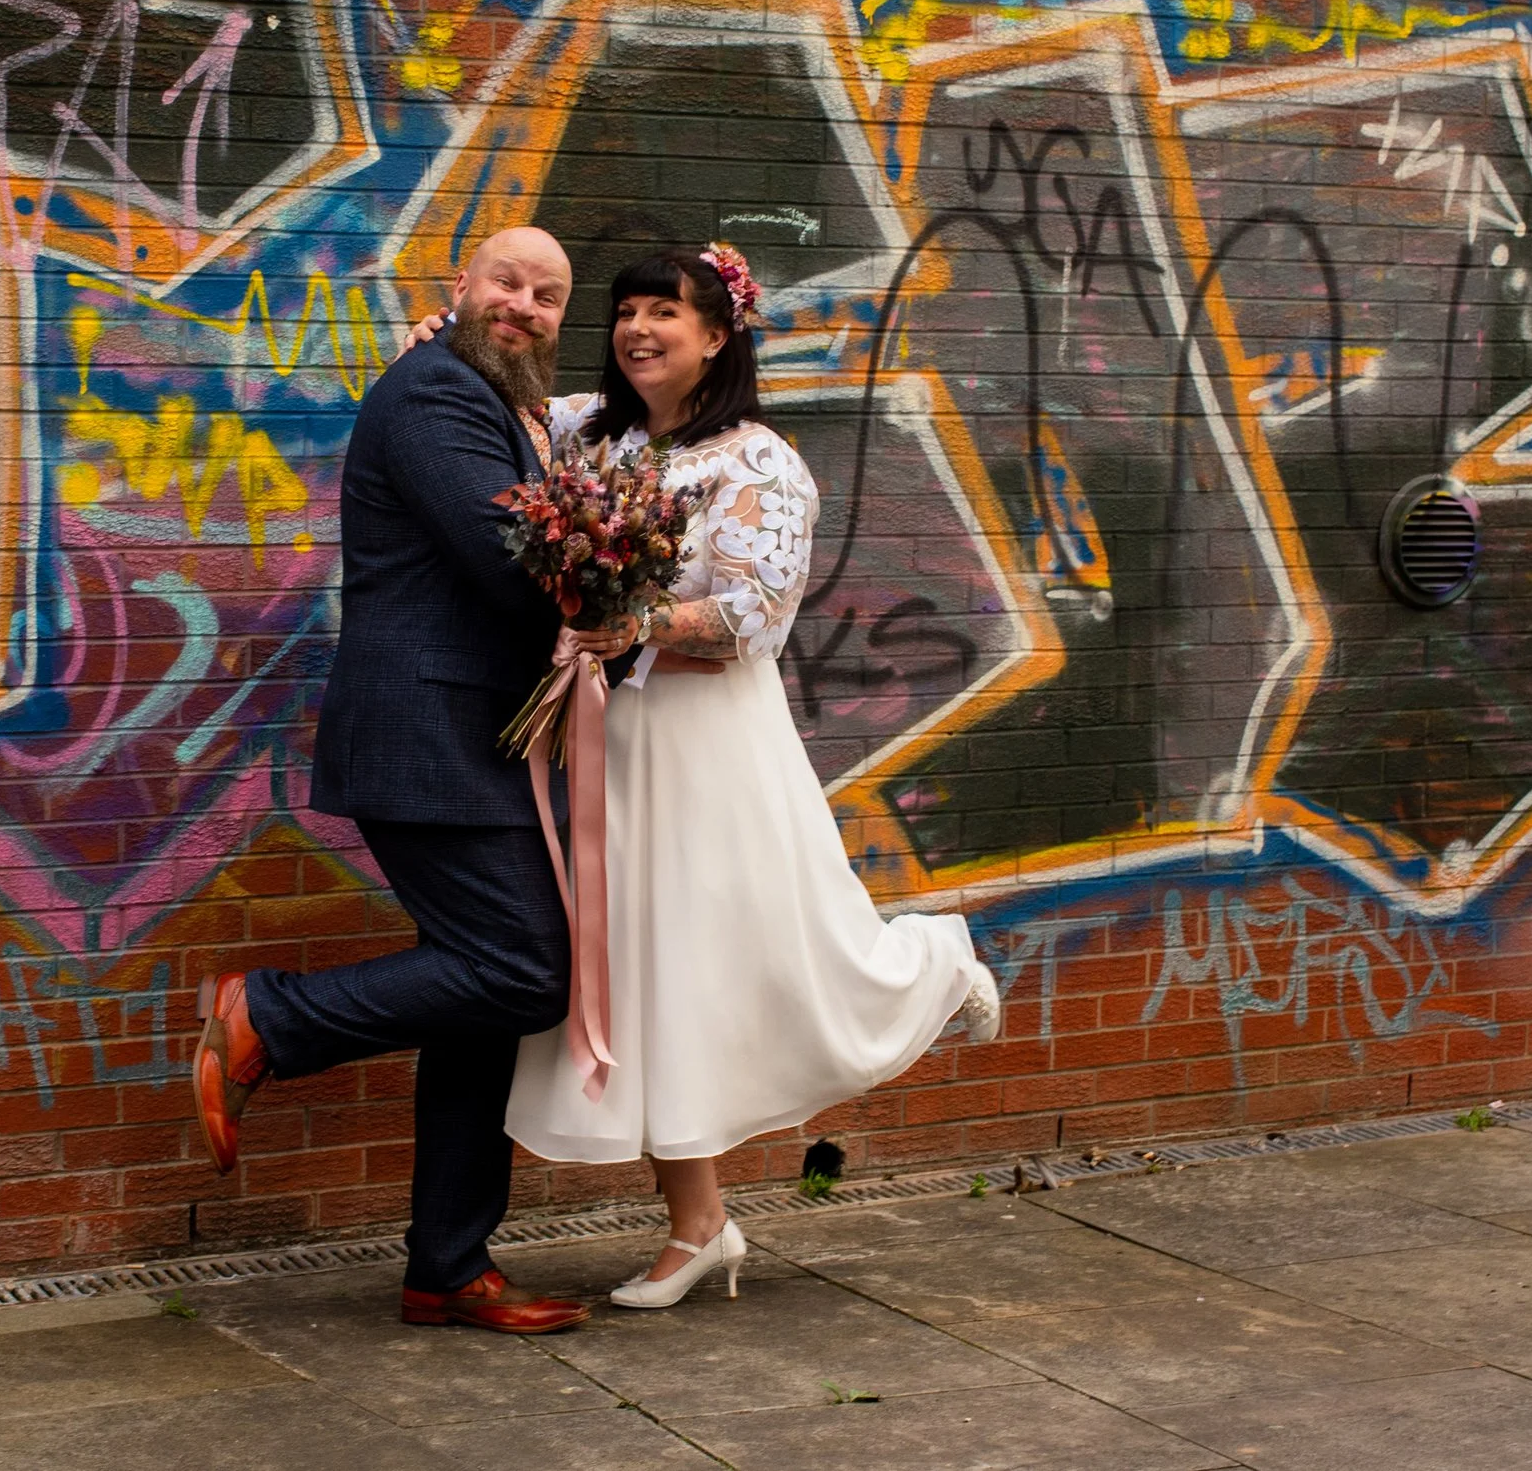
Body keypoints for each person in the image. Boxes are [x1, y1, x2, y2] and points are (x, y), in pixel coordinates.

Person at [493, 245, 1002, 1308]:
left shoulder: (759, 463)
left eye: (664, 313)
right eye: (626, 310)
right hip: (614, 740)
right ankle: (700, 1226)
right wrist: (438, 342)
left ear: (717, 336)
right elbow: (514, 393)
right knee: (643, 981)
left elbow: (752, 616)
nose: (638, 328)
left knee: (765, 955)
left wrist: (627, 619)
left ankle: (933, 961)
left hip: (706, 739)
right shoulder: (595, 431)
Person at [190, 225, 594, 1334]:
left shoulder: (502, 404)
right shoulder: (434, 392)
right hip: (431, 732)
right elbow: (512, 562)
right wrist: (618, 596)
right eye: (506, 281)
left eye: (547, 294)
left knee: (484, 992)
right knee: (526, 970)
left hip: (477, 740)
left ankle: (447, 1267)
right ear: (457, 286)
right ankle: (270, 1012)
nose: (523, 304)